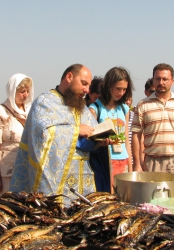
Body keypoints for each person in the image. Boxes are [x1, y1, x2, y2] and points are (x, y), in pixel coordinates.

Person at [9, 64, 110, 206]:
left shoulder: (82, 108)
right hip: (58, 186)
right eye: (84, 83)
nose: (87, 90)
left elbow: (89, 139)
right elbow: (41, 136)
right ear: (69, 77)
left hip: (84, 183)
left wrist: (99, 142)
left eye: (88, 86)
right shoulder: (45, 102)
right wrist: (75, 130)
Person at [132, 63, 174, 177]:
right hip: (153, 162)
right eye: (157, 79)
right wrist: (137, 164)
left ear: (172, 81)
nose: (161, 82)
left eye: (165, 79)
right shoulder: (143, 104)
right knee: (153, 194)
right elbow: (136, 135)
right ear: (153, 81)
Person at [0, 74, 34, 202]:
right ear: (13, 91)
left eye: (28, 91)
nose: (25, 95)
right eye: (22, 91)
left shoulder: (31, 113)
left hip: (26, 171)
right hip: (5, 174)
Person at [89, 67, 134, 192]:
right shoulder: (95, 108)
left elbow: (126, 141)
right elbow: (90, 142)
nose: (121, 93)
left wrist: (130, 167)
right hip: (105, 163)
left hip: (123, 160)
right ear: (109, 86)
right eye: (118, 89)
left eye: (124, 89)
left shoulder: (125, 109)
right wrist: (99, 143)